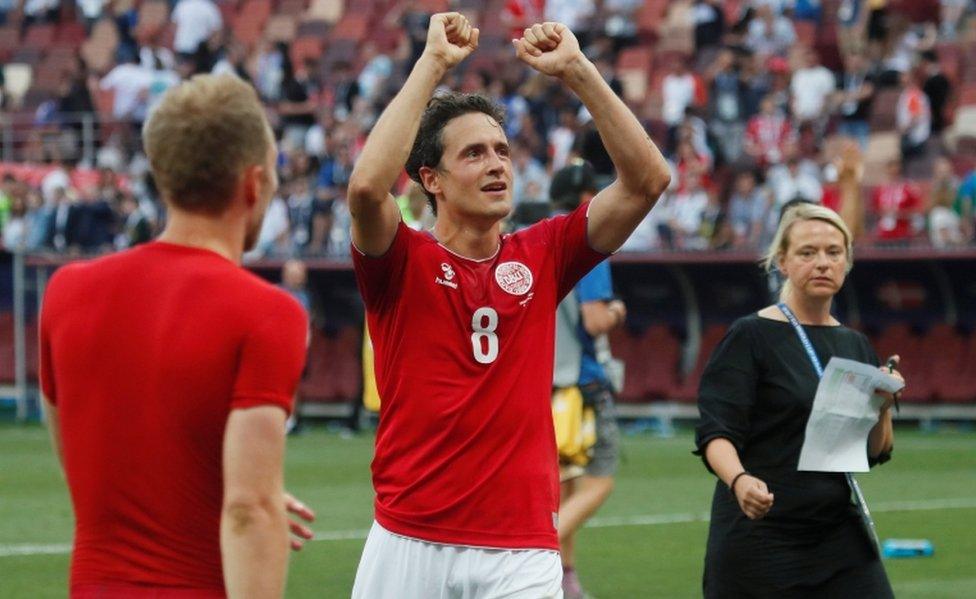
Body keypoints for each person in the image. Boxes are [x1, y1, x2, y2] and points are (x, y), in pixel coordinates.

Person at [347, 13, 670, 598]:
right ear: (431, 179)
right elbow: (368, 188)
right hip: (408, 536)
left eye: (502, 150)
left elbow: (647, 180)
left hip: (520, 547)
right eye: (473, 154)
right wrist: (432, 65)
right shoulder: (400, 260)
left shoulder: (544, 251)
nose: (497, 163)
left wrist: (578, 70)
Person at [39, 74, 314, 598]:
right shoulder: (267, 313)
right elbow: (248, 510)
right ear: (253, 184)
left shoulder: (66, 291)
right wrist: (251, 498)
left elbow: (92, 467)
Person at [694, 203, 904, 598]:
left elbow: (873, 451)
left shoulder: (855, 344)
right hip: (761, 534)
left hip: (838, 534)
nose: (822, 263)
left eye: (833, 252)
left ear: (847, 261)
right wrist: (738, 480)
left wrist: (882, 408)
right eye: (808, 253)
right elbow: (715, 432)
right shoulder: (750, 335)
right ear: (783, 262)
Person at [550, 161, 627, 599]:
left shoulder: (534, 234)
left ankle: (565, 582)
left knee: (565, 486)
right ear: (585, 199)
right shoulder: (586, 238)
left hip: (543, 380)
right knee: (598, 481)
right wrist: (618, 310)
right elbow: (596, 319)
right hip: (580, 383)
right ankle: (540, 548)